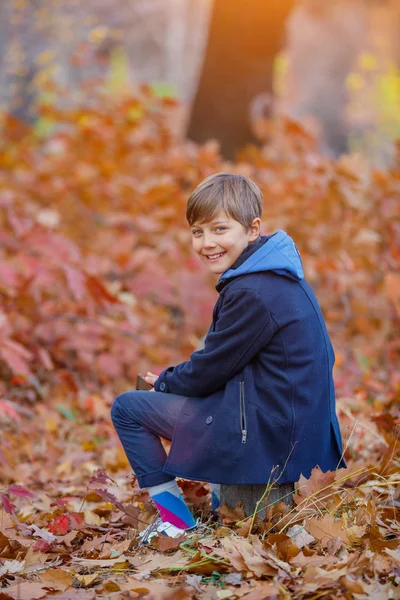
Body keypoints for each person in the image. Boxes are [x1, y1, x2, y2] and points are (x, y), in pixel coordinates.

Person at [111, 172, 345, 543]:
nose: (207, 243)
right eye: (198, 232)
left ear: (252, 229)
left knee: (127, 408)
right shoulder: (277, 276)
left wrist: (168, 381)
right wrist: (177, 379)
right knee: (175, 397)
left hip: (271, 432)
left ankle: (175, 521)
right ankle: (202, 508)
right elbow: (225, 362)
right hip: (289, 423)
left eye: (220, 230)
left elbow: (210, 369)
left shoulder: (252, 291)